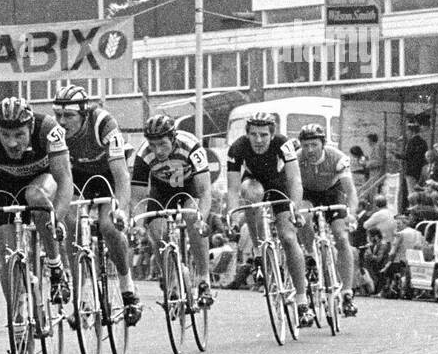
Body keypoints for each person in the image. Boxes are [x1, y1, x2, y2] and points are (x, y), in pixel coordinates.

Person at [0, 97, 72, 334]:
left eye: (19, 135)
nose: (12, 143)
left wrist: (56, 217)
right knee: (7, 255)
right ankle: (19, 315)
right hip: (7, 185)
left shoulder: (48, 128)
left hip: (44, 181)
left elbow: (64, 179)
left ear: (31, 128)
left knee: (35, 196)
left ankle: (56, 267)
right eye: (5, 135)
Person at [51, 85, 140, 323]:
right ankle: (82, 301)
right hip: (78, 178)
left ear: (84, 114)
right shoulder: (55, 131)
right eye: (57, 115)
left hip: (107, 175)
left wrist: (120, 210)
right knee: (71, 222)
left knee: (109, 226)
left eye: (68, 116)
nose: (61, 122)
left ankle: (127, 289)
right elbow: (59, 178)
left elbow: (121, 176)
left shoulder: (103, 123)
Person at [226, 110, 312, 327]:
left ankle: (302, 302)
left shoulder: (283, 144)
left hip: (278, 185)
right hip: (253, 182)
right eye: (253, 134)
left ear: (272, 135)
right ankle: (258, 252)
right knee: (250, 192)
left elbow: (294, 180)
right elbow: (233, 188)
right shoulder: (237, 147)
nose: (258, 140)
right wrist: (232, 216)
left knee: (288, 237)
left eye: (263, 135)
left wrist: (296, 208)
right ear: (247, 134)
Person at [130, 114, 213, 308]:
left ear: (173, 139)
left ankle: (203, 279)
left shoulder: (191, 146)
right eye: (153, 145)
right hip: (161, 191)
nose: (157, 150)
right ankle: (171, 279)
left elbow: (205, 191)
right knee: (157, 233)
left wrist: (202, 219)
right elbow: (138, 198)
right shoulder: (143, 155)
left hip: (189, 188)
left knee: (193, 218)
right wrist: (139, 225)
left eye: (162, 144)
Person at [296, 124, 360, 317]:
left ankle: (347, 294)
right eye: (305, 145)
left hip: (332, 193)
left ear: (323, 144)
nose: (309, 150)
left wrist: (352, 214)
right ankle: (310, 255)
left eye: (314, 145)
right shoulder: (297, 158)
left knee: (341, 237)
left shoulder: (337, 158)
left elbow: (350, 192)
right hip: (306, 193)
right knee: (303, 217)